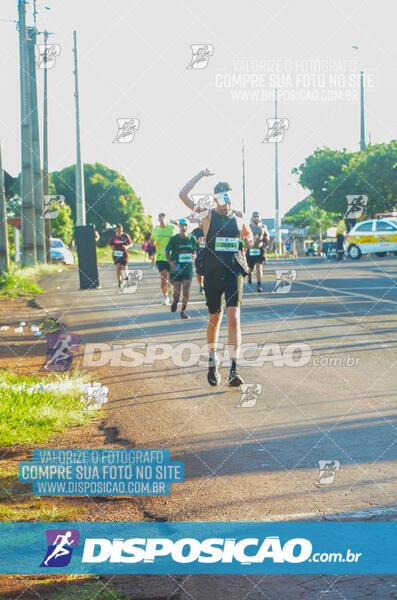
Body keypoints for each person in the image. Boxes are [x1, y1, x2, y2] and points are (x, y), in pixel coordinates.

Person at [179, 169, 253, 387]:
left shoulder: (239, 217)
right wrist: (201, 175)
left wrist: (248, 242)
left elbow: (248, 235)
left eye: (228, 196)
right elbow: (182, 194)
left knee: (234, 318)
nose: (225, 201)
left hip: (233, 272)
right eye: (221, 197)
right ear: (215, 198)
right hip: (212, 273)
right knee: (215, 319)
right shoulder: (207, 214)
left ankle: (234, 368)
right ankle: (212, 362)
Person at [165, 219, 197, 319]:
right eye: (182, 226)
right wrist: (170, 263)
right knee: (177, 292)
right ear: (179, 227)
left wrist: (194, 256)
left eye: (185, 226)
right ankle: (175, 301)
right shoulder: (174, 239)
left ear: (188, 227)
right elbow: (167, 251)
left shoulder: (192, 239)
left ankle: (183, 311)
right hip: (176, 268)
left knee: (186, 290)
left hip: (188, 268)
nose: (183, 227)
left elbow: (194, 251)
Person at [151, 213, 177, 305]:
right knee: (163, 277)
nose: (162, 220)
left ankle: (171, 288)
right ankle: (166, 297)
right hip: (160, 257)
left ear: (166, 219)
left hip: (171, 257)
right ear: (158, 220)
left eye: (163, 218)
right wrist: (152, 242)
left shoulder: (172, 228)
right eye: (160, 218)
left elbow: (179, 237)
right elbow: (151, 242)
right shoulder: (155, 230)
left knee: (171, 279)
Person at [247, 211, 269, 292]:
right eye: (254, 216)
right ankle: (249, 274)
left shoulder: (264, 227)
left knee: (259, 267)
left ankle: (259, 286)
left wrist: (266, 240)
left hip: (259, 249)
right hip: (251, 249)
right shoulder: (249, 226)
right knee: (251, 268)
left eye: (257, 216)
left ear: (260, 218)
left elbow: (267, 238)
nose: (256, 218)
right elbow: (244, 236)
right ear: (252, 218)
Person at [191, 219, 205, 294]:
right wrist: (197, 241)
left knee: (208, 271)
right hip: (198, 254)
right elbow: (190, 241)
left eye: (202, 221)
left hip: (208, 253)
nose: (201, 223)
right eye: (199, 221)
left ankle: (207, 285)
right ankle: (201, 285)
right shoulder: (195, 231)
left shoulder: (209, 229)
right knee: (199, 272)